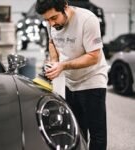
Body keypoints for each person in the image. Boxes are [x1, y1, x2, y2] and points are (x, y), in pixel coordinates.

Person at [36, 0, 108, 150]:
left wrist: (63, 65)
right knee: (77, 129)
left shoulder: (87, 20)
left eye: (54, 18)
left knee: (97, 133)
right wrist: (54, 61)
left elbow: (94, 56)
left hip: (92, 79)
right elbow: (52, 42)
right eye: (47, 20)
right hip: (71, 81)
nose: (51, 23)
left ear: (65, 7)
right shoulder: (51, 24)